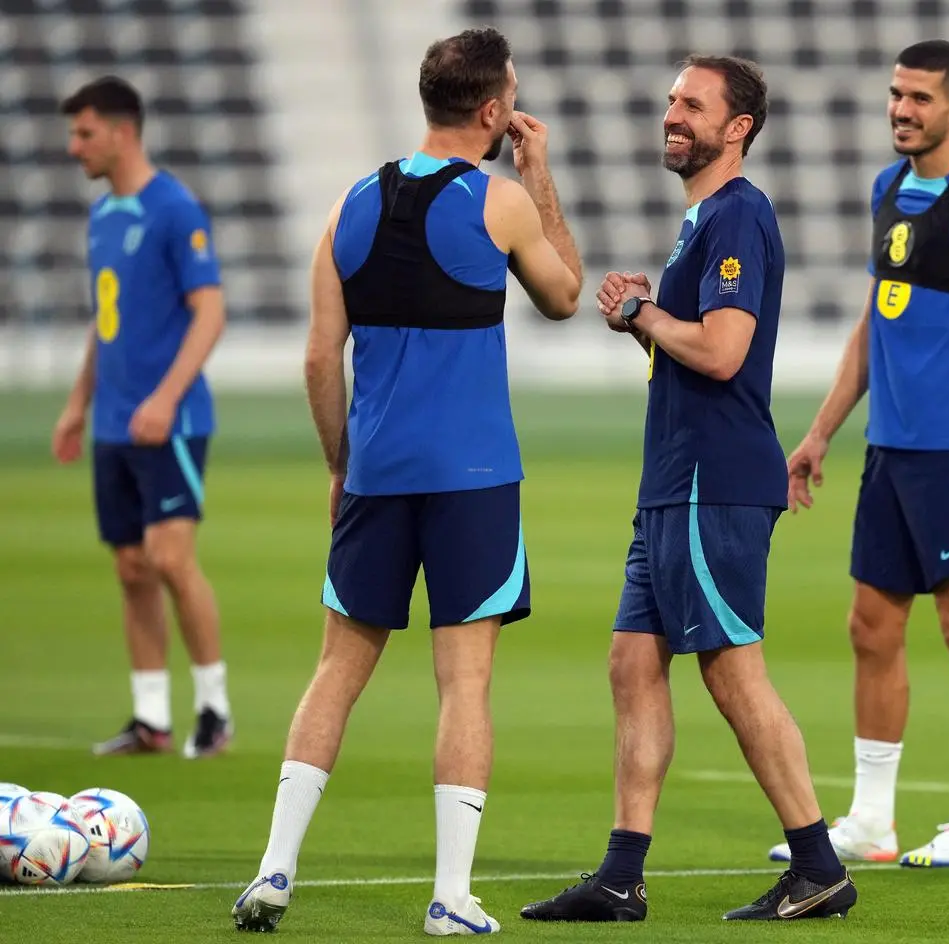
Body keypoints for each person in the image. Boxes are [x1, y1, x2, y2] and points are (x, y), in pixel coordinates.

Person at [231, 27, 582, 936]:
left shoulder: (349, 204)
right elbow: (566, 293)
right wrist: (539, 172)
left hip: (377, 475)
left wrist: (342, 465)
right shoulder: (499, 200)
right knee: (464, 687)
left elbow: (320, 356)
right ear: (495, 111)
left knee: (335, 673)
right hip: (472, 479)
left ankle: (273, 870)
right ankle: (450, 896)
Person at [520, 55, 856, 925]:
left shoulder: (738, 215)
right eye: (672, 100)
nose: (672, 114)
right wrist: (647, 319)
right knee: (634, 664)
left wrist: (642, 313)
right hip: (675, 479)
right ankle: (622, 876)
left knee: (732, 669)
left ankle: (818, 865)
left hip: (715, 481)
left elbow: (723, 352)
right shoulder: (703, 219)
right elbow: (691, 349)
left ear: (736, 127)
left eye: (692, 104)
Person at [766, 39, 949, 869]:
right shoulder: (888, 188)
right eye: (895, 95)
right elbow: (873, 322)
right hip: (888, 450)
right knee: (871, 626)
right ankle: (873, 821)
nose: (901, 110)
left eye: (919, 99)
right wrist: (820, 432)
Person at [53, 76, 234, 760]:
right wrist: (78, 403)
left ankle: (214, 709)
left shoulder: (174, 209)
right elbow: (108, 325)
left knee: (169, 559)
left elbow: (210, 313)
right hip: (113, 425)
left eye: (85, 133)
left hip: (172, 421)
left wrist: (164, 398)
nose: (75, 147)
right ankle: (152, 718)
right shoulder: (103, 215)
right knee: (131, 567)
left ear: (122, 132)